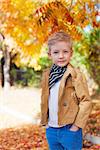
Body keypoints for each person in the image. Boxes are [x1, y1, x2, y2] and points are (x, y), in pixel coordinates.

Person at [40, 31, 92, 150]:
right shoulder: (47, 75)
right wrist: (45, 123)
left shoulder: (76, 75)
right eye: (56, 52)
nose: (61, 56)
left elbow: (86, 101)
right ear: (50, 55)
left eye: (65, 52)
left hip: (69, 130)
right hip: (52, 130)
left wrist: (76, 126)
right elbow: (44, 98)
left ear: (71, 53)